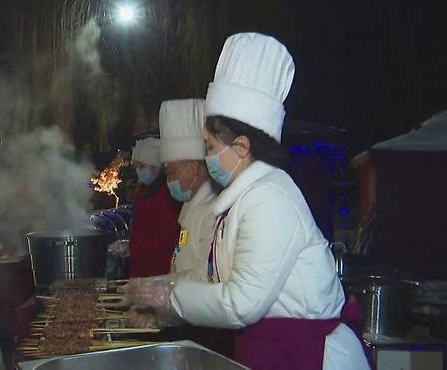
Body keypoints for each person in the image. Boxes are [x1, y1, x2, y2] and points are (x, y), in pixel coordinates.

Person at [121, 33, 369, 370]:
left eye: (209, 147)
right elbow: (211, 284)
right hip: (272, 349)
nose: (206, 158)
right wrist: (162, 297)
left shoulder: (270, 198)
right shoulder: (240, 198)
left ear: (241, 147)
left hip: (310, 355)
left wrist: (169, 298)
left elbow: (242, 303)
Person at [159, 99, 218, 281]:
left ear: (193, 168)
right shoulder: (189, 210)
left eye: (171, 173)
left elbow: (203, 277)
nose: (169, 181)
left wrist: (156, 286)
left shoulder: (211, 211)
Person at [128, 137, 181, 277]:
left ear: (156, 166)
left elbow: (168, 239)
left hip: (158, 272)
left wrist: (134, 248)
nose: (139, 171)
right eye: (137, 167)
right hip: (141, 272)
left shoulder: (165, 195)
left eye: (142, 166)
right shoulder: (143, 193)